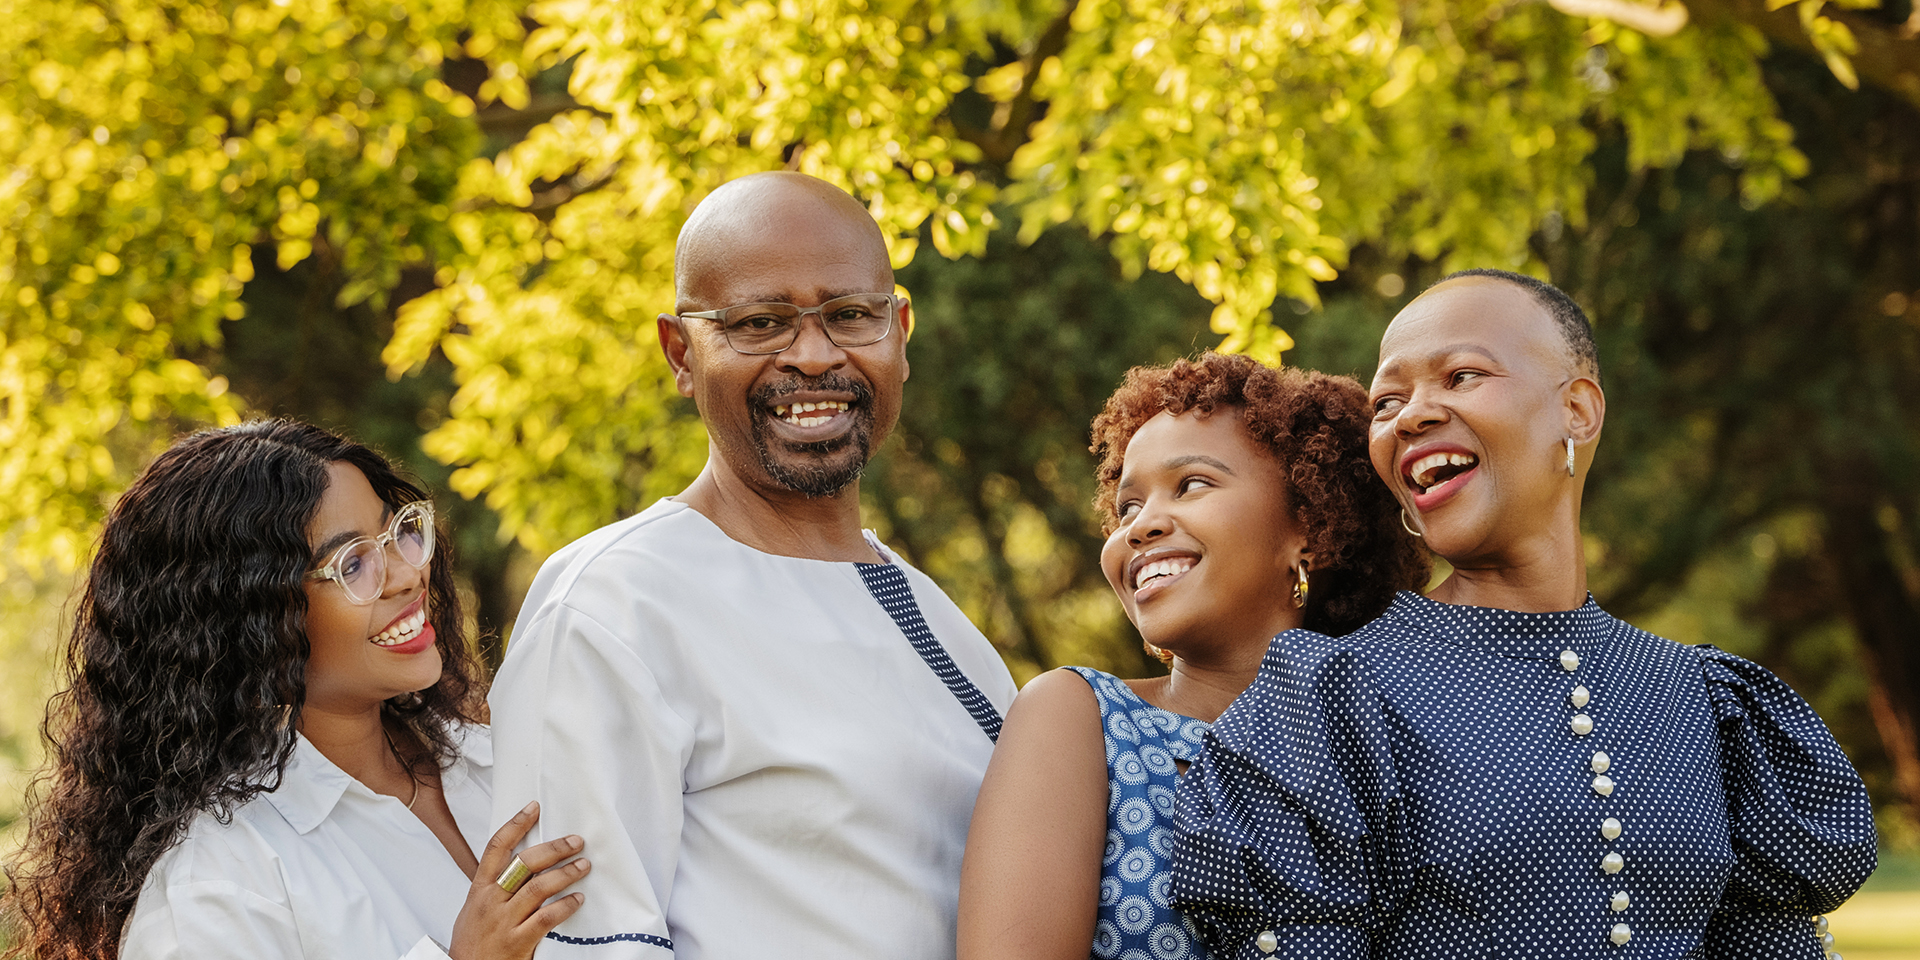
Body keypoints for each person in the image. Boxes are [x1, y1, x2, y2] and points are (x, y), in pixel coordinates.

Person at [1171, 271, 1879, 958]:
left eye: (1461, 376)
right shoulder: (1332, 694)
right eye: (1387, 402)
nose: (1411, 414)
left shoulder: (1708, 702)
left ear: (1578, 410)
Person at [487, 171, 1018, 959]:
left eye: (849, 315)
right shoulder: (612, 605)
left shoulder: (935, 612)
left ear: (900, 333)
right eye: (760, 323)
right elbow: (585, 948)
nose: (812, 356)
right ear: (680, 353)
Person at [2, 420, 588, 960]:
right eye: (354, 564)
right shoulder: (218, 885)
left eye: (398, 534)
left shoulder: (501, 756)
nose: (409, 574)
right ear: (254, 621)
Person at [957, 352, 1429, 960]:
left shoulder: (1395, 737)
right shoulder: (1080, 718)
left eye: (1192, 484)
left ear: (1310, 527)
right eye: (1127, 508)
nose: (1141, 526)